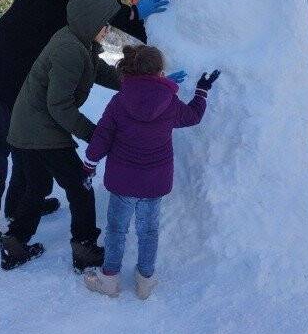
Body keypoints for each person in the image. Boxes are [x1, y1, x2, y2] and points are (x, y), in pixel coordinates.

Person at [0, 0, 170, 249]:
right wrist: (133, 14)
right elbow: (96, 10)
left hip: (39, 69)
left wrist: (146, 54)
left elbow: (105, 28)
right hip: (9, 61)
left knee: (28, 140)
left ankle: (20, 204)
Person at [1, 0, 126, 272]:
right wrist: (95, 135)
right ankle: (84, 249)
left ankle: (15, 244)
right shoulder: (70, 49)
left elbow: (97, 71)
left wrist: (131, 81)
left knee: (36, 187)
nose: (108, 30)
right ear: (89, 21)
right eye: (104, 24)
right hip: (41, 128)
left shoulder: (79, 41)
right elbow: (59, 106)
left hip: (28, 125)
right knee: (80, 187)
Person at [80, 46, 218, 299]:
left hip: (122, 181)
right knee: (148, 231)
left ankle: (109, 279)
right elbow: (193, 116)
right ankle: (145, 280)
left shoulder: (120, 100)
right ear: (159, 71)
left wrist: (89, 163)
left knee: (116, 230)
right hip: (154, 182)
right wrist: (201, 91)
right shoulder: (169, 102)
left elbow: (102, 135)